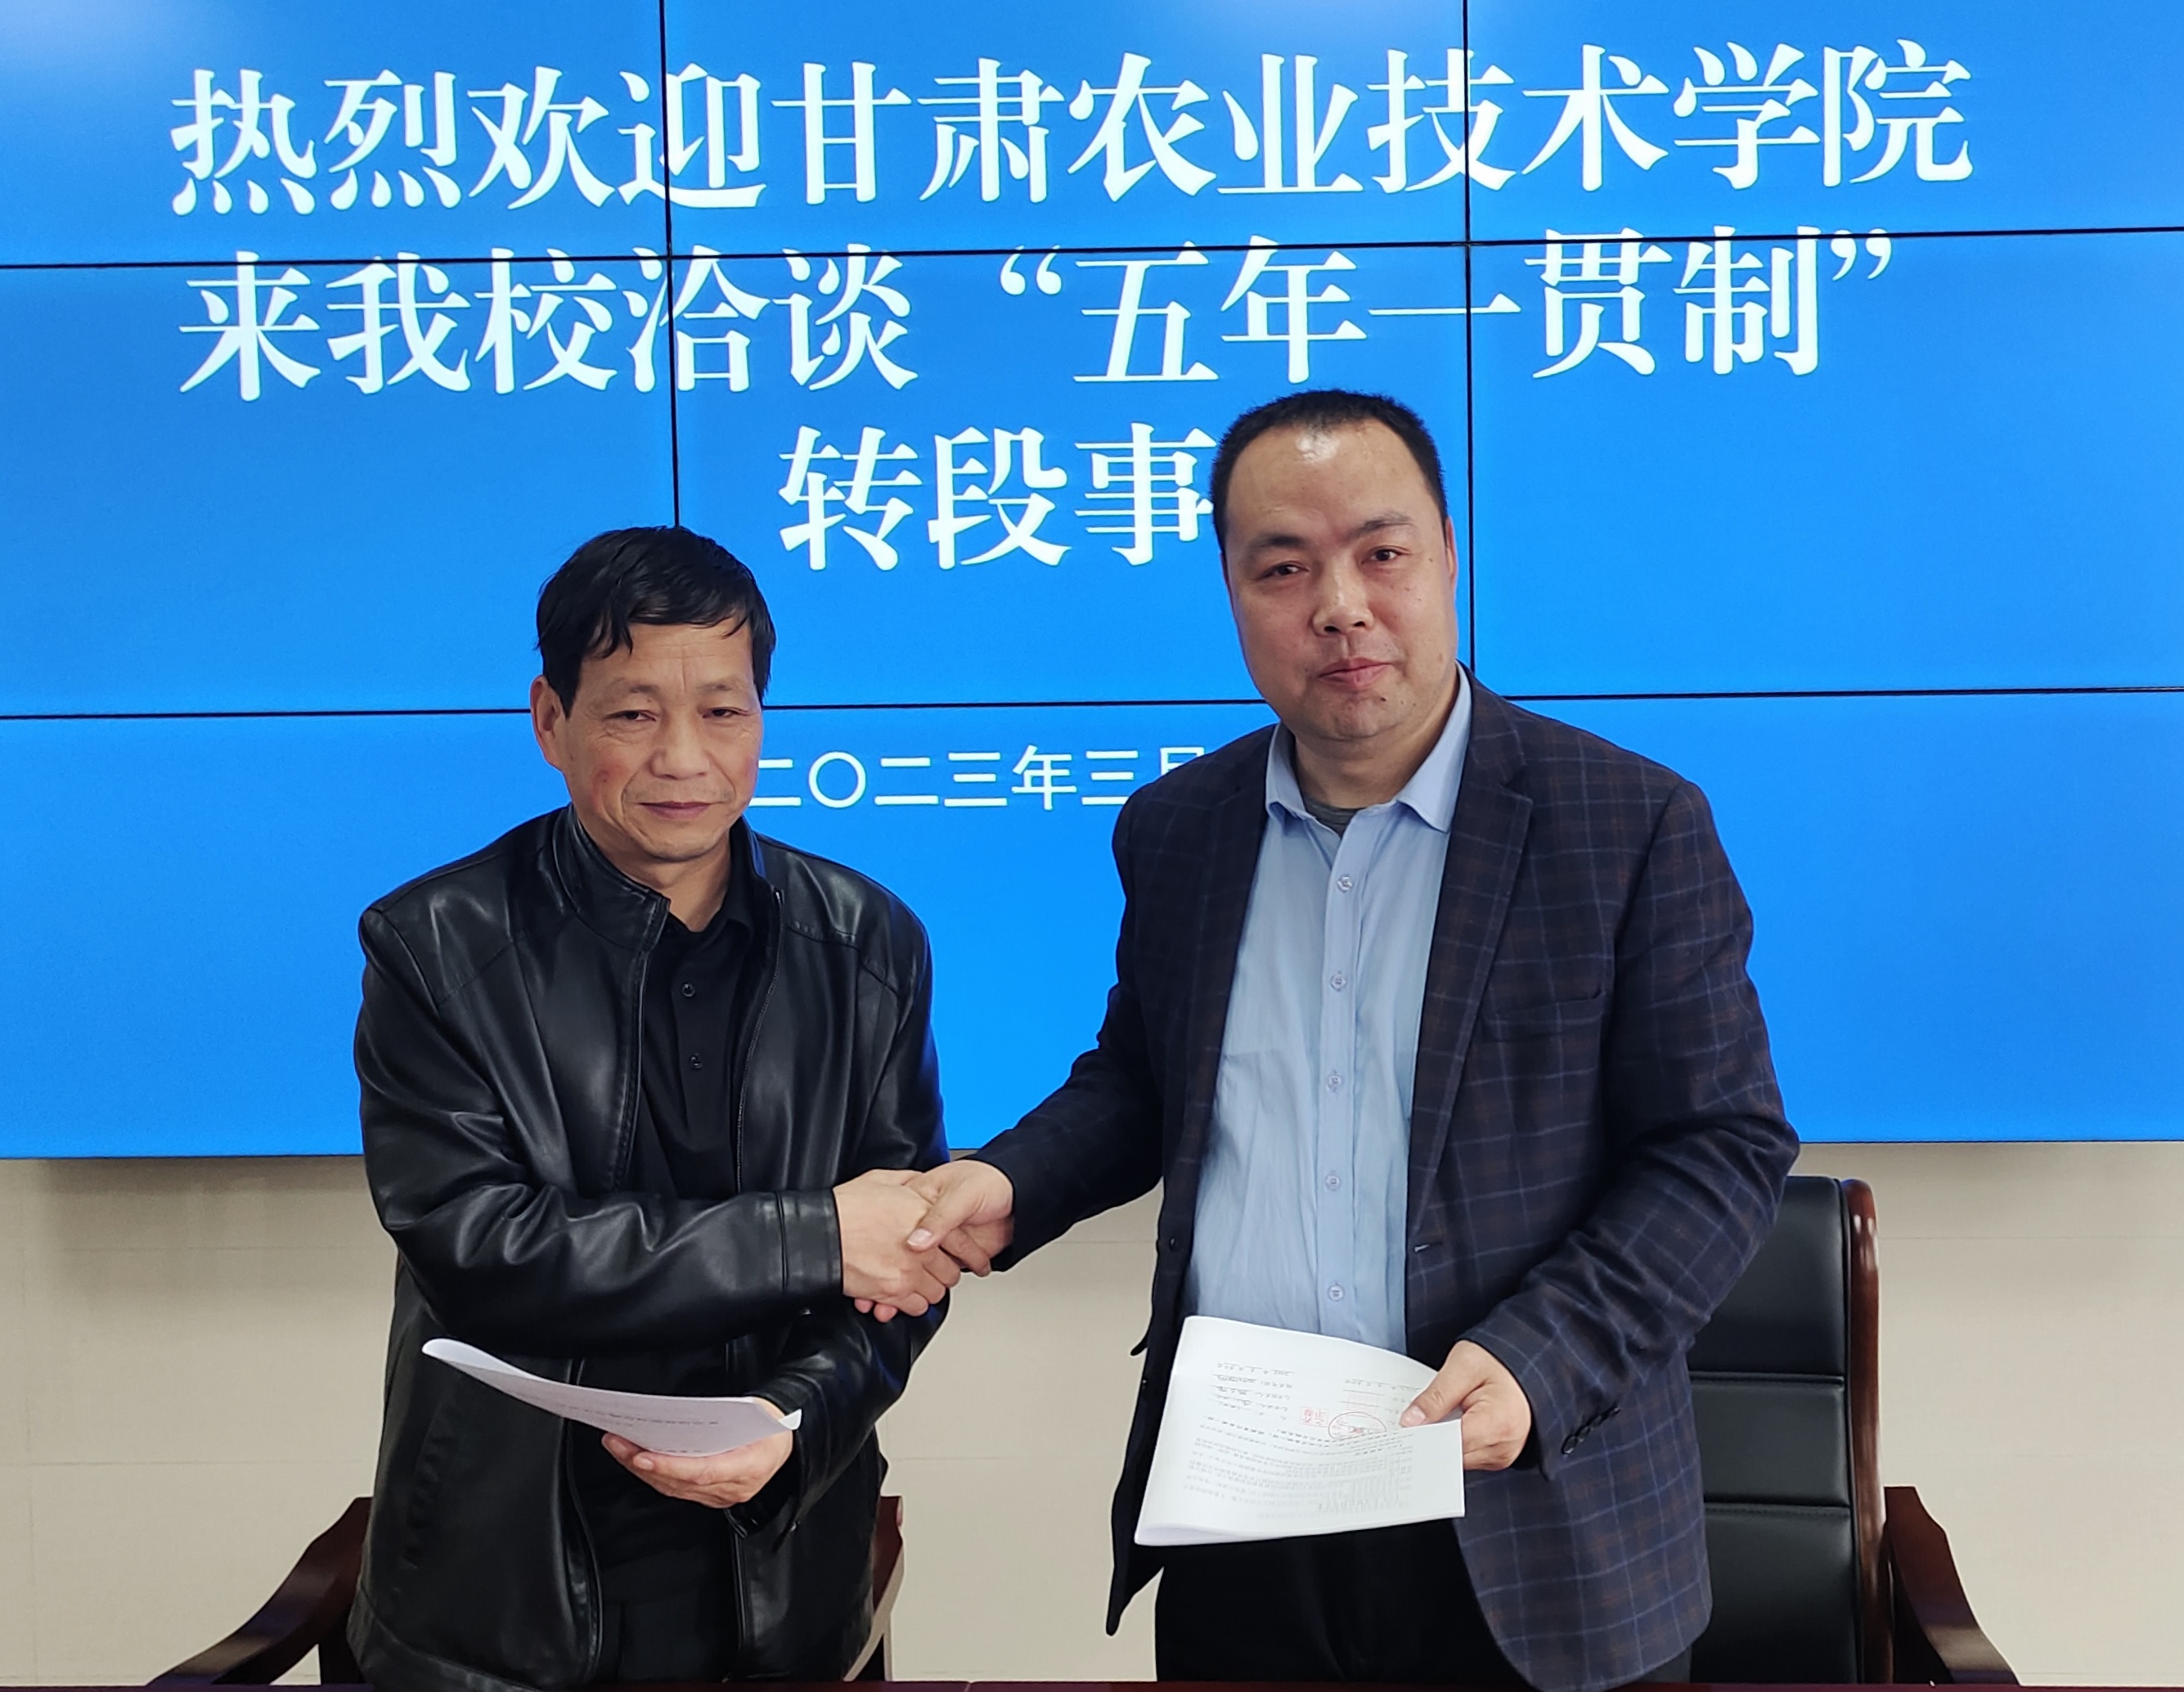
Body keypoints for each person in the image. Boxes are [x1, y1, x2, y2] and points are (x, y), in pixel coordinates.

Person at [895, 390, 1801, 1692]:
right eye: (1283, 568)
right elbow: (1146, 1079)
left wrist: (1539, 1359)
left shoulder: (1626, 823)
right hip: (1245, 1501)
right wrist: (1009, 1181)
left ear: (1447, 558)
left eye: (1380, 553)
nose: (1338, 606)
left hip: (1525, 1507)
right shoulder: (1178, 829)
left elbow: (1716, 1148)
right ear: (1230, 591)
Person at [349, 526, 963, 1692]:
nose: (684, 758)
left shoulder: (866, 940)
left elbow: (907, 1262)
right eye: (632, 714)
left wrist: (792, 1415)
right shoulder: (434, 943)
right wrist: (817, 1235)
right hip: (507, 1576)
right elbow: (478, 1247)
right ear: (551, 720)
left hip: (779, 1561)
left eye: (723, 712)